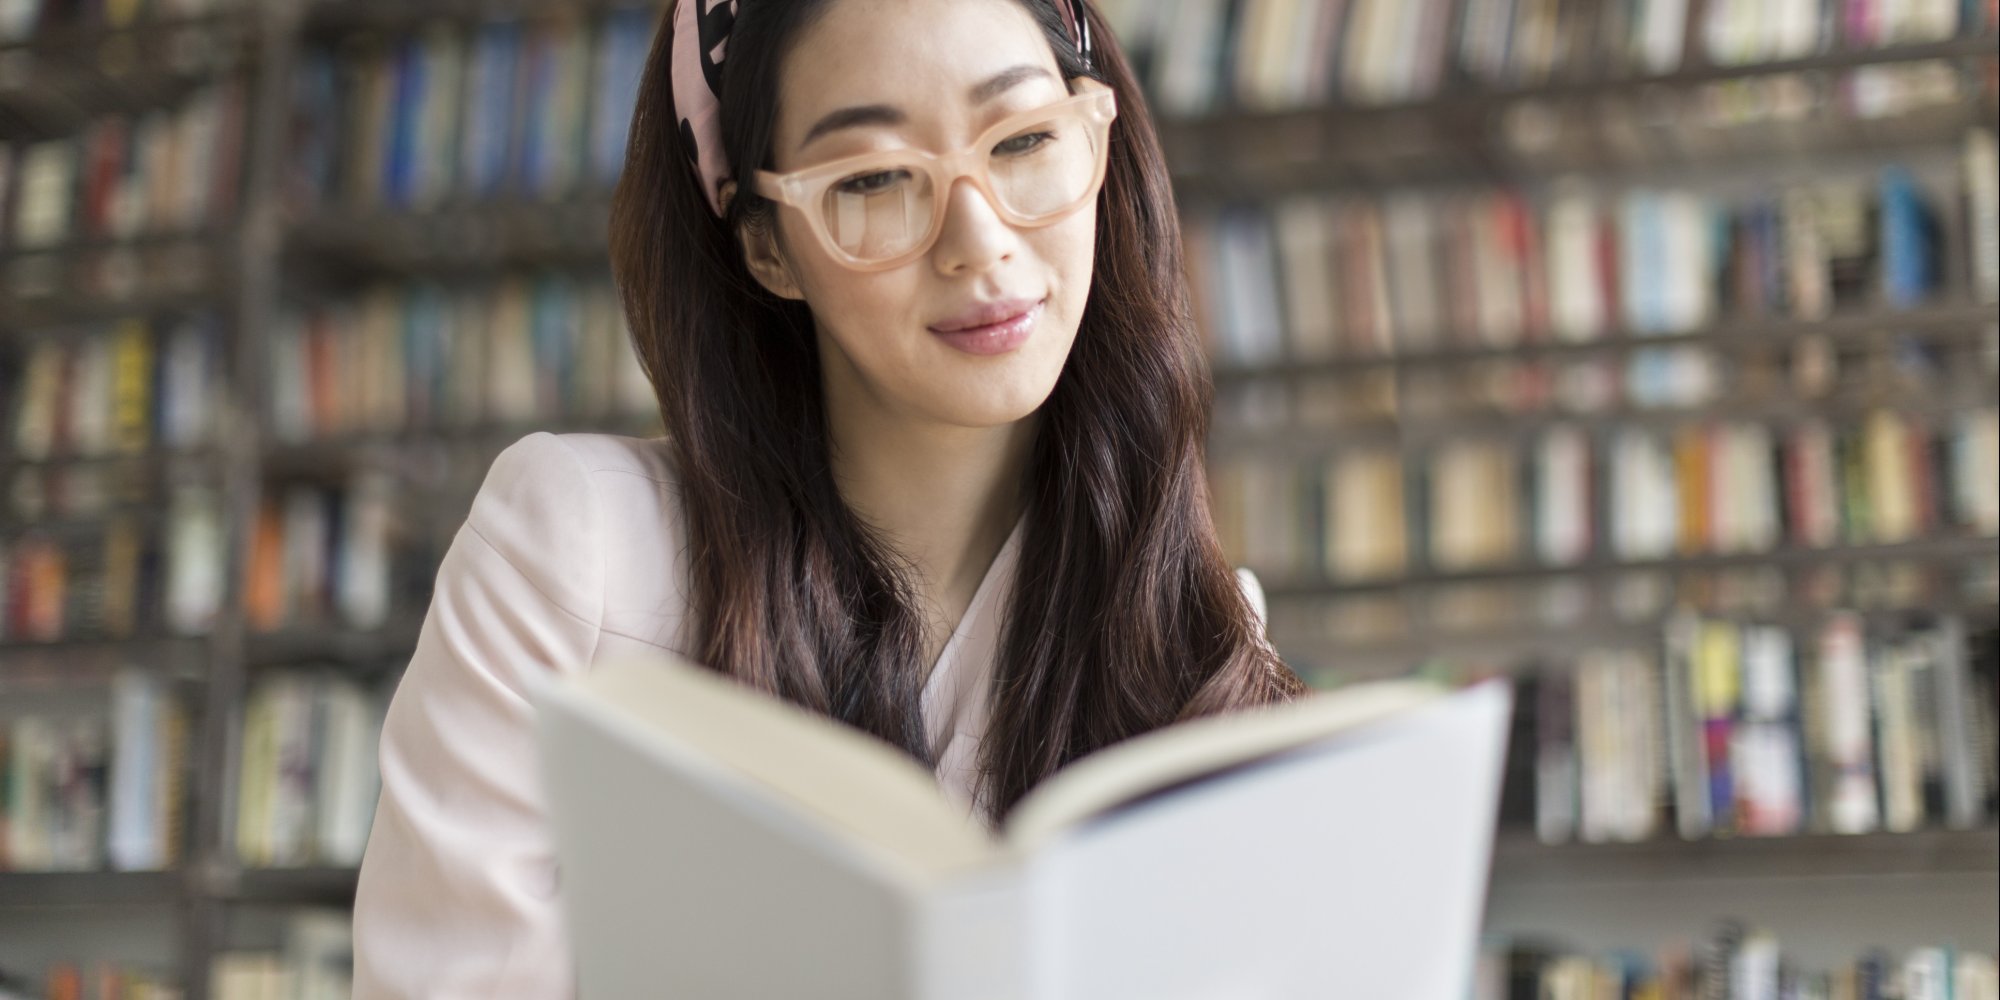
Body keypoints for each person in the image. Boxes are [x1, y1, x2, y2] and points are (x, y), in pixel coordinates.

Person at [350, 0, 1306, 995]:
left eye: (1022, 140)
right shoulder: (575, 553)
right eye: (874, 179)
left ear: (1095, 142)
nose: (977, 241)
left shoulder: (1198, 636)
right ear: (765, 245)